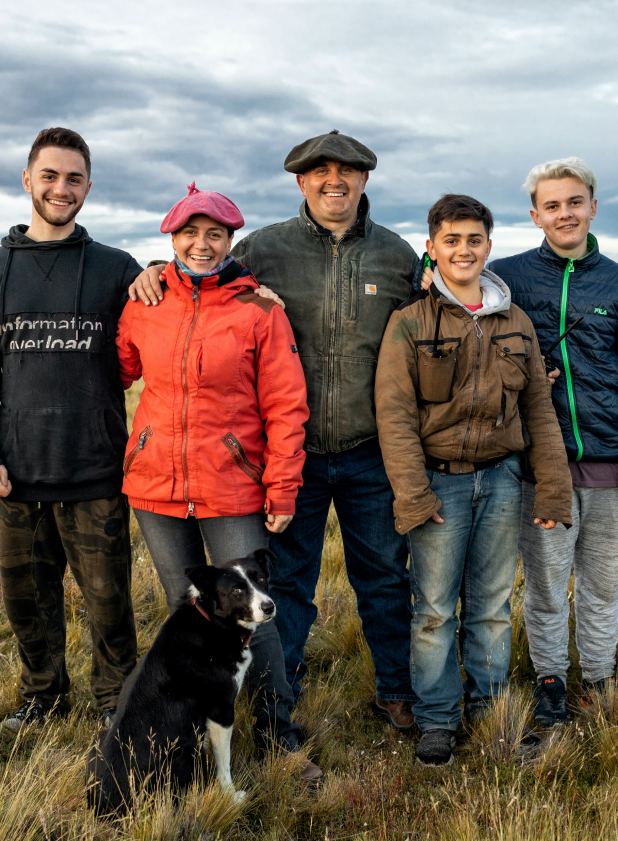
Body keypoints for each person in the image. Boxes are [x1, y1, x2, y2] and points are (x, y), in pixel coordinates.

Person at [130, 131, 419, 729]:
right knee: (286, 587)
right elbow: (202, 279)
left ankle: (395, 690)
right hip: (290, 458)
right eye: (320, 172)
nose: (333, 180)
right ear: (301, 181)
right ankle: (283, 696)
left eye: (348, 171)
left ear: (366, 180)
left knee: (386, 580)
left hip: (370, 452)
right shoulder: (265, 249)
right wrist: (156, 270)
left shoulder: (396, 257)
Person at [116, 183, 323, 783]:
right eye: (189, 234)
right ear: (171, 239)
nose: (201, 245)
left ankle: (280, 735)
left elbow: (287, 406)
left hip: (231, 487)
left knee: (254, 620)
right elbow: (123, 367)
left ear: (231, 240)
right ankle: (191, 733)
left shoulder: (260, 310)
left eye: (214, 235)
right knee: (190, 617)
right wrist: (143, 282)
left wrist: (282, 487)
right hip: (156, 488)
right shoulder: (146, 301)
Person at [375, 194, 572, 765]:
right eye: (452, 240)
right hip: (440, 486)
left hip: (504, 482)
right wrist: (414, 496)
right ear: (432, 247)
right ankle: (437, 718)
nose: (464, 249)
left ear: (489, 245)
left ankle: (490, 711)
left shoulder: (515, 322)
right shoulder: (409, 322)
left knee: (489, 605)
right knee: (434, 609)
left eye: (474, 239)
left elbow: (539, 409)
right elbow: (394, 415)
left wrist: (553, 488)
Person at [0, 128, 152, 731]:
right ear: (27, 179)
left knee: (110, 604)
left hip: (94, 472)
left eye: (74, 178)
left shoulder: (116, 268)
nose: (61, 189)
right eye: (50, 176)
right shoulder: (0, 266)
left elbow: (185, 301)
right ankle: (42, 697)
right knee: (27, 605)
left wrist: (166, 269)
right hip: (15, 477)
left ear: (89, 186)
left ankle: (118, 702)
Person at [485, 159, 618, 724]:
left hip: (609, 460)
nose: (565, 213)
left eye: (575, 202)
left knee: (604, 582)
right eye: (553, 205)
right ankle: (549, 679)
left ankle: (599, 674)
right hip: (540, 463)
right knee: (544, 581)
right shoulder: (505, 276)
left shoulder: (615, 280)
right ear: (536, 214)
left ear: (593, 206)